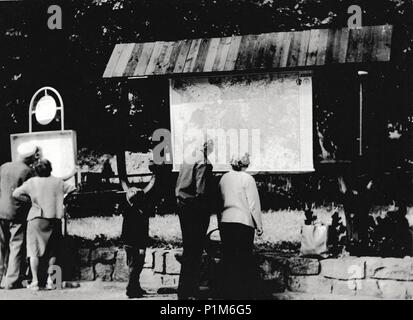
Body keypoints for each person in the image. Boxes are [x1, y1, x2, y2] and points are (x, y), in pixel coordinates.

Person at [12, 159, 76, 290]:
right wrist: (63, 202)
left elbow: (16, 193)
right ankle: (51, 281)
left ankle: (35, 281)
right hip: (54, 219)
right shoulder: (58, 182)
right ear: (50, 169)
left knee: (34, 251)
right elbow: (73, 189)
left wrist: (29, 201)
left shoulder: (31, 182)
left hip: (36, 219)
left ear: (36, 171)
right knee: (52, 252)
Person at [217, 153, 263, 299]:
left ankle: (226, 291)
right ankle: (243, 292)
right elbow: (253, 204)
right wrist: (259, 224)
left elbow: (219, 201)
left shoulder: (224, 178)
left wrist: (219, 220)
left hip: (226, 221)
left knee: (228, 257)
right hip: (244, 222)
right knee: (243, 258)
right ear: (246, 164)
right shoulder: (248, 179)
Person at [175, 140, 214, 300]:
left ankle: (184, 289)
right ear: (206, 146)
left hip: (183, 206)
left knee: (188, 249)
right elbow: (201, 191)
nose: (213, 149)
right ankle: (190, 291)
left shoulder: (188, 157)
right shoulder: (203, 162)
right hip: (195, 210)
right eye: (212, 146)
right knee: (195, 251)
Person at [0, 144, 41, 289]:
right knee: (16, 245)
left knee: (1, 247)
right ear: (30, 157)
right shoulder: (28, 171)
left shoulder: (4, 167)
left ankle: (0, 278)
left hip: (1, 210)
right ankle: (11, 281)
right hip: (16, 213)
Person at [121, 160, 158, 299]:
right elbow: (140, 232)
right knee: (136, 267)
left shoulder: (128, 211)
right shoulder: (141, 214)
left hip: (128, 243)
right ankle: (131, 289)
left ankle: (135, 287)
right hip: (137, 244)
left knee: (133, 266)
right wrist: (142, 247)